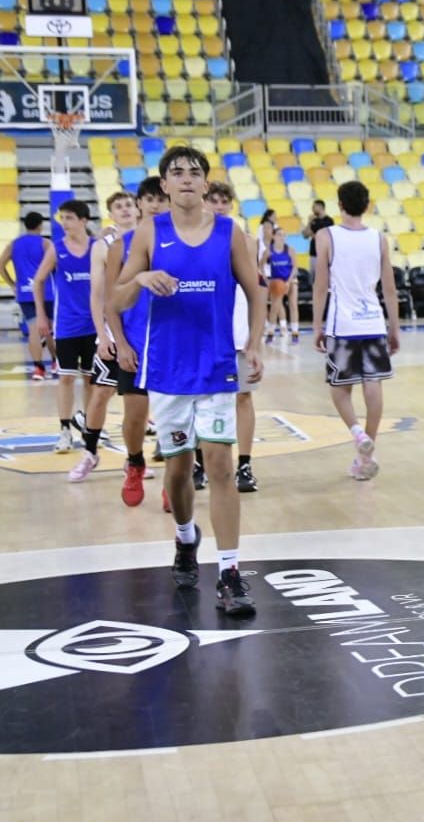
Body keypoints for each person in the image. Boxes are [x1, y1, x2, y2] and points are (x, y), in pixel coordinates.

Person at [112, 145, 265, 616]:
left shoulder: (228, 232)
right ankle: (185, 539)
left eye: (194, 173)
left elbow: (255, 291)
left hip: (217, 364)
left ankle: (231, 573)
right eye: (176, 173)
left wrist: (255, 343)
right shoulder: (148, 232)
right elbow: (114, 299)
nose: (185, 179)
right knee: (179, 473)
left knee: (219, 468)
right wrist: (140, 280)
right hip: (167, 370)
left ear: (205, 183)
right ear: (164, 185)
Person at [312, 180, 400, 481]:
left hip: (343, 323)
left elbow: (321, 285)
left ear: (339, 205)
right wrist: (394, 327)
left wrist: (316, 326)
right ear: (367, 205)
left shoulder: (326, 236)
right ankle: (367, 455)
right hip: (373, 321)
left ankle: (358, 433)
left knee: (339, 392)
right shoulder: (379, 239)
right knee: (373, 385)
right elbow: (389, 288)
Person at [67, 191, 140, 482]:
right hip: (115, 329)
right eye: (118, 206)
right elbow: (97, 296)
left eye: (128, 205)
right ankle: (90, 452)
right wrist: (102, 334)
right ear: (111, 213)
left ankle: (137, 459)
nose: (124, 210)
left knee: (143, 402)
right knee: (99, 395)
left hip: (144, 329)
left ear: (137, 210)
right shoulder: (103, 246)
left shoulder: (151, 239)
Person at [106, 178, 170, 507]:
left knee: (176, 418)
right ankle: (134, 462)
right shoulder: (122, 245)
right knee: (134, 417)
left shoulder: (185, 241)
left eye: (161, 199)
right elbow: (111, 301)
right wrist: (120, 342)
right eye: (149, 199)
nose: (156, 204)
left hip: (173, 344)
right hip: (135, 344)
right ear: (140, 203)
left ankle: (175, 477)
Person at [207, 181, 262, 492]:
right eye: (213, 200)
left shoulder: (247, 242)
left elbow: (255, 293)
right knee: (204, 400)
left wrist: (256, 340)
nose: (219, 205)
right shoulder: (195, 238)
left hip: (238, 331)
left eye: (224, 200)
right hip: (206, 332)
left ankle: (244, 464)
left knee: (244, 396)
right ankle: (201, 463)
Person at [31, 201, 97, 454]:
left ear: (83, 221)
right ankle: (65, 430)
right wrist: (41, 315)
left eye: (69, 217)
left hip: (94, 326)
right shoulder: (57, 250)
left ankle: (90, 427)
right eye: (62, 218)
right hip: (68, 326)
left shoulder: (97, 248)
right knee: (66, 379)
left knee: (92, 380)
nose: (64, 222)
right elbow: (38, 281)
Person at [0, 211, 56, 380]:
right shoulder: (46, 243)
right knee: (51, 330)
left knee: (34, 331)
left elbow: (0, 265)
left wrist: (12, 284)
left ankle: (38, 369)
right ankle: (55, 362)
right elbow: (57, 265)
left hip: (25, 293)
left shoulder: (14, 244)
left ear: (25, 225)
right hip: (46, 292)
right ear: (40, 225)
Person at [264, 222, 299, 344]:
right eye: (279, 234)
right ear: (274, 236)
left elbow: (295, 267)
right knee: (275, 307)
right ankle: (271, 333)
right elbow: (260, 266)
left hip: (290, 279)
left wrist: (288, 282)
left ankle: (295, 333)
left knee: (293, 305)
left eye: (284, 235)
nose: (282, 237)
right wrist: (266, 280)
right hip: (276, 280)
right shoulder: (269, 251)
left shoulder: (290, 250)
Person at [302, 199, 333, 288]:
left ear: (320, 207)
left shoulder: (329, 221)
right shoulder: (313, 220)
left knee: (324, 276)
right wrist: (309, 222)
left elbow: (324, 236)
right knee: (312, 277)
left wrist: (313, 234)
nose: (313, 209)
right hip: (313, 252)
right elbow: (305, 235)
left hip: (324, 253)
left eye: (314, 206)